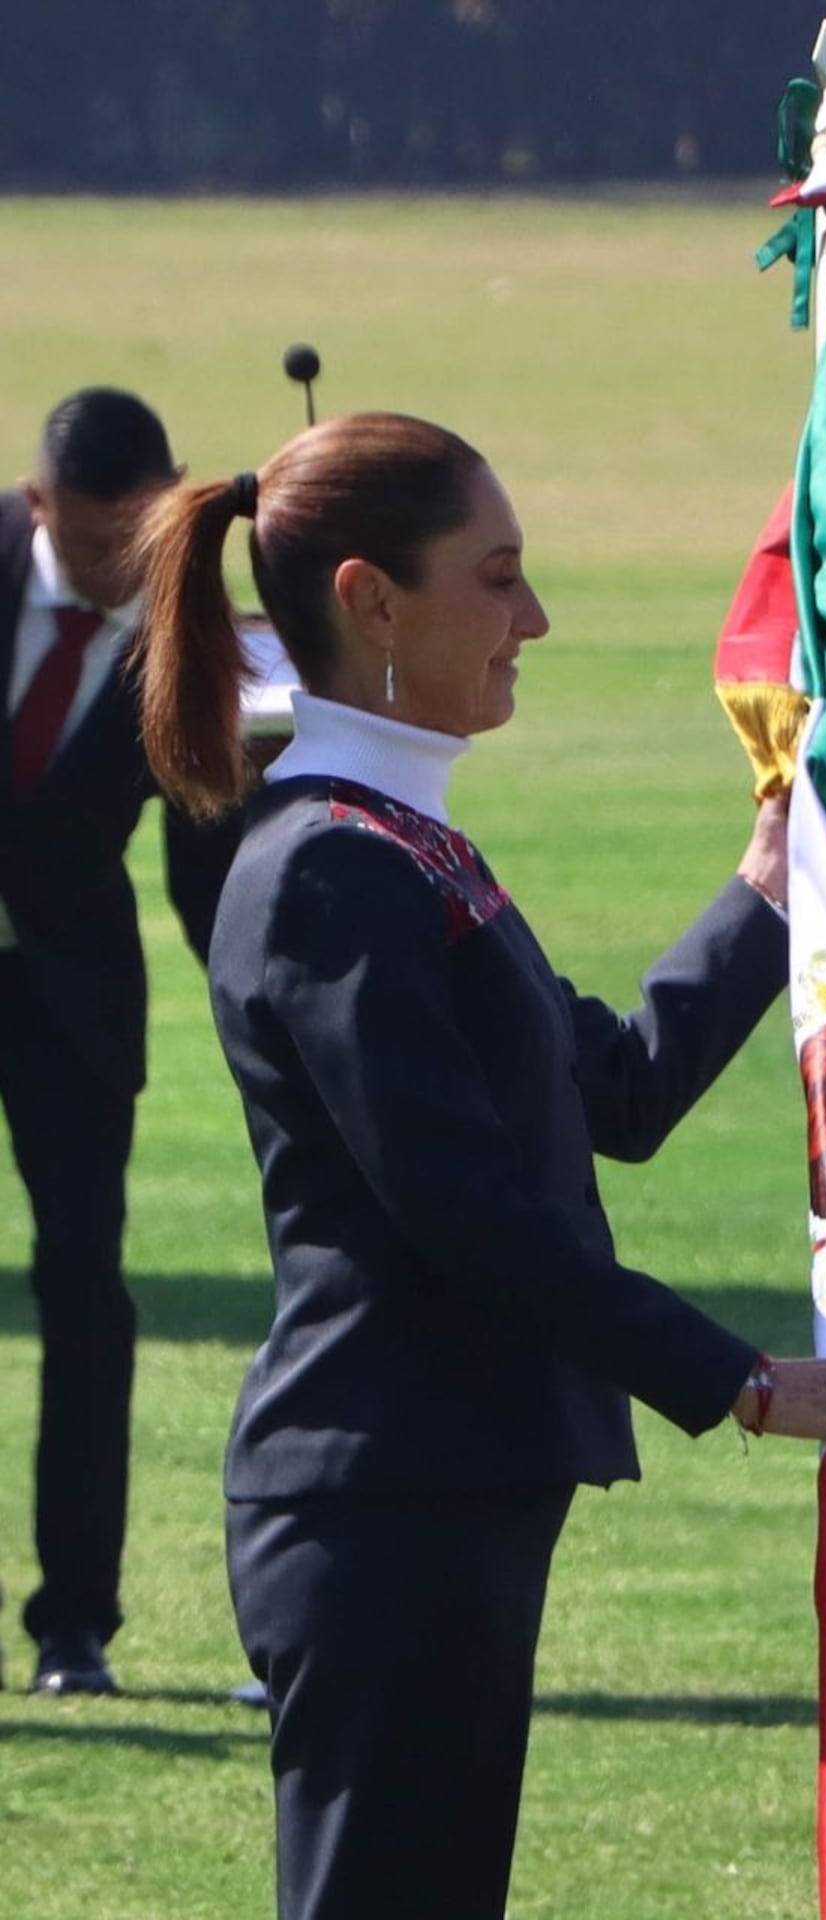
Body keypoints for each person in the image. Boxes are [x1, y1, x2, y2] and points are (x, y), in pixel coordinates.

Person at [133, 410, 826, 1919]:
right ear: (372, 601)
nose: (533, 620)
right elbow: (466, 1216)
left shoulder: (403, 846)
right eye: (496, 579)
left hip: (449, 1490)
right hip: (383, 1500)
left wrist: (772, 874)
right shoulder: (329, 870)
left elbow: (614, 1090)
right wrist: (741, 1379)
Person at [0, 387, 275, 1697]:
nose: (129, 561)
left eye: (147, 530)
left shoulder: (192, 622)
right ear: (40, 505)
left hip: (68, 1002)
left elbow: (209, 855)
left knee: (84, 1293)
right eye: (103, 540)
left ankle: (76, 1628)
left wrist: (277, 1015)